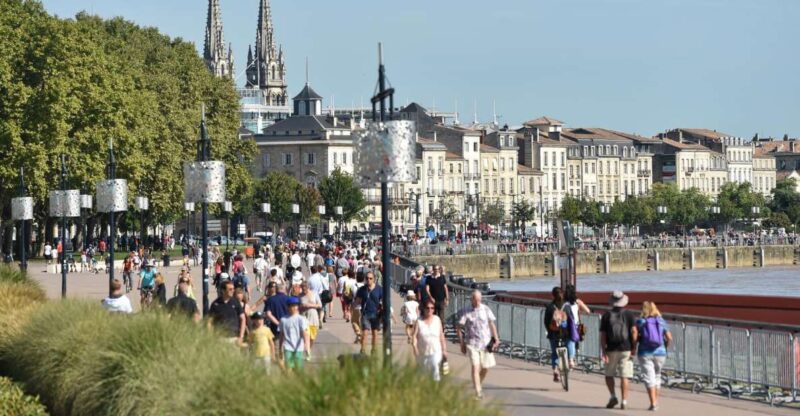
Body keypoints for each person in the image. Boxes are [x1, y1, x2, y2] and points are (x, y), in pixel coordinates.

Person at [457, 290, 499, 399]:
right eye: (475, 300)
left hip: (485, 343)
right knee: (475, 367)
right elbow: (459, 327)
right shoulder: (466, 311)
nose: (477, 302)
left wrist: (496, 338)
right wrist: (461, 342)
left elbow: (491, 324)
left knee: (486, 368)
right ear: (471, 299)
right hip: (472, 343)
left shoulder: (485, 309)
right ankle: (478, 391)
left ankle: (478, 384)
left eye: (479, 299)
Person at [600, 290, 637, 410]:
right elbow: (634, 332)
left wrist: (603, 351)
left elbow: (603, 335)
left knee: (609, 375)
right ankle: (624, 401)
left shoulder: (606, 315)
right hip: (626, 348)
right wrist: (634, 346)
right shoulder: (629, 314)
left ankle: (612, 396)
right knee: (624, 376)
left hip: (611, 349)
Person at [635, 301, 672, 411]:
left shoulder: (641, 322)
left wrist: (634, 345)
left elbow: (635, 335)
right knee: (657, 376)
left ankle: (653, 403)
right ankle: (656, 401)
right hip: (660, 353)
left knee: (648, 377)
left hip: (645, 352)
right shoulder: (661, 321)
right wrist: (665, 347)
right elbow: (669, 337)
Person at [412, 299, 447, 382]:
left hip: (436, 351)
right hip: (422, 352)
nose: (430, 310)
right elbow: (414, 336)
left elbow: (441, 336)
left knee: (435, 367)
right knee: (423, 375)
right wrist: (414, 348)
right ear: (423, 308)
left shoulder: (437, 319)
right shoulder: (419, 321)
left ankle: (435, 389)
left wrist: (444, 350)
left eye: (432, 308)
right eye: (428, 308)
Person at [207, 280, 246, 345]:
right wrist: (211, 337)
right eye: (230, 289)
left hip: (234, 338)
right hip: (219, 338)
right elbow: (209, 322)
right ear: (223, 290)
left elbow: (243, 318)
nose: (233, 291)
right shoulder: (215, 304)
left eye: (233, 289)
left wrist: (241, 337)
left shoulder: (235, 302)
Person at [563, 285, 591, 368]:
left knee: (569, 341)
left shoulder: (564, 303)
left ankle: (570, 359)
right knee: (574, 341)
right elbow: (588, 311)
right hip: (576, 325)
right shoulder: (577, 302)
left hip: (567, 325)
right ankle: (572, 359)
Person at [279, 297, 310, 371]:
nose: (293, 308)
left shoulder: (301, 319)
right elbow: (281, 334)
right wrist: (280, 347)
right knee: (288, 368)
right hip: (287, 347)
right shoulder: (283, 319)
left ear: (298, 307)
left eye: (295, 305)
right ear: (288, 307)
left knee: (298, 369)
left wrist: (306, 345)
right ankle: (289, 381)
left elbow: (305, 333)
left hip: (298, 348)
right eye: (291, 306)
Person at [356, 271, 383, 354]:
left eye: (370, 278)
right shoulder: (362, 289)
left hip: (376, 314)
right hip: (365, 314)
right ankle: (362, 351)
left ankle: (374, 351)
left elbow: (383, 301)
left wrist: (382, 310)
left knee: (375, 334)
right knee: (365, 334)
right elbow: (357, 301)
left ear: (374, 279)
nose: (368, 280)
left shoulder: (379, 289)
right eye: (367, 278)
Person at [544, 286, 567, 382]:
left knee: (554, 353)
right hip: (565, 334)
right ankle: (569, 362)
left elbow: (546, 322)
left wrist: (549, 331)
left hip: (553, 334)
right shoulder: (566, 306)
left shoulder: (549, 307)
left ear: (552, 295)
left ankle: (555, 370)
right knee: (567, 349)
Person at [300, 281, 321, 350]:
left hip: (313, 317)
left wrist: (310, 305)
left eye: (305, 288)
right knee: (305, 336)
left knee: (312, 337)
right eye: (302, 288)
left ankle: (308, 349)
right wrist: (301, 306)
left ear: (308, 287)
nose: (303, 290)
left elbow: (319, 305)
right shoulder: (300, 295)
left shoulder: (314, 294)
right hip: (303, 317)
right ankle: (307, 351)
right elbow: (296, 306)